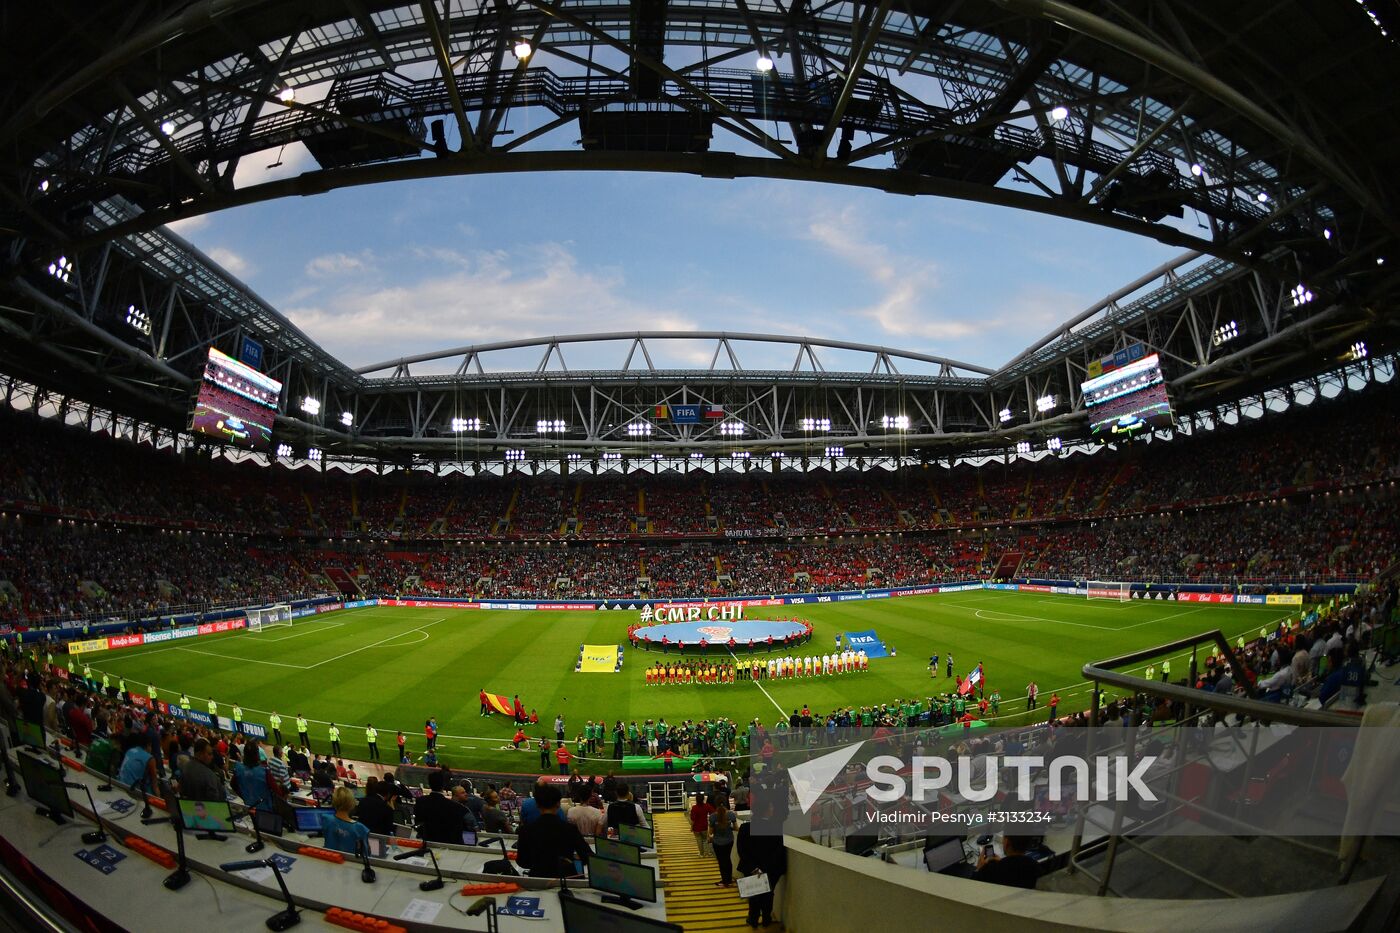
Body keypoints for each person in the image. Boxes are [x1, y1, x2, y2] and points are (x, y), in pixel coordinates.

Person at [515, 784, 592, 878]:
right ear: (558, 804)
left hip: (538, 879)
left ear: (537, 805)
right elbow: (588, 857)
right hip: (567, 879)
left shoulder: (525, 830)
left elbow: (523, 862)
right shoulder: (570, 829)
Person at [736, 804, 786, 928]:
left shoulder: (745, 828)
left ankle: (753, 919)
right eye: (771, 808)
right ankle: (766, 919)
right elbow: (778, 851)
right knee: (768, 894)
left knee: (753, 894)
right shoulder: (776, 828)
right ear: (767, 811)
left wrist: (754, 868)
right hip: (771, 869)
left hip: (751, 868)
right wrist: (765, 868)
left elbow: (741, 850)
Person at [414, 769, 466, 843]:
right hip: (447, 844)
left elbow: (418, 824)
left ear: (429, 784)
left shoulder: (420, 801)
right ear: (443, 785)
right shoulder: (453, 806)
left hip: (427, 841)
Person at [973, 835, 1040, 889]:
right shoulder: (1035, 866)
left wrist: (978, 869)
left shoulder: (991, 870)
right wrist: (1002, 861)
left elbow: (971, 887)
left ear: (1006, 842)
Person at [320, 786, 371, 856]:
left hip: (329, 858)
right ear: (352, 804)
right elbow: (366, 855)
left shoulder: (326, 819)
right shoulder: (360, 828)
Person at [175, 737, 226, 802]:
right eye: (209, 754)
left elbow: (180, 789)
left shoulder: (185, 767)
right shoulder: (209, 775)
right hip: (205, 810)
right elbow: (215, 801)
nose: (212, 757)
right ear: (199, 754)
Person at [234, 741, 274, 814]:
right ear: (256, 754)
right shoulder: (264, 770)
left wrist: (243, 795)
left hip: (248, 805)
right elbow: (275, 789)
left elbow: (233, 784)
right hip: (264, 810)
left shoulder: (238, 768)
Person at [710, 800, 737, 886]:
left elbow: (711, 832)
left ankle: (724, 880)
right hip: (729, 841)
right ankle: (729, 879)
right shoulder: (731, 814)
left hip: (717, 842)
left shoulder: (713, 816)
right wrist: (730, 827)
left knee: (721, 861)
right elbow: (736, 828)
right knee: (727, 859)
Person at [689, 791, 715, 856]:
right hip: (704, 826)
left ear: (696, 799)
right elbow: (713, 812)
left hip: (696, 827)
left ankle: (701, 854)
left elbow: (693, 820)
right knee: (705, 840)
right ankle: (707, 852)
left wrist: (691, 827)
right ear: (703, 799)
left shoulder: (694, 808)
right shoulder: (707, 806)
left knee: (699, 840)